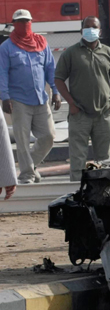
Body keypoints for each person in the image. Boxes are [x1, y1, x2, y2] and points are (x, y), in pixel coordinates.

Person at [54, 17, 110, 181]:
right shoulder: (71, 53)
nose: (91, 30)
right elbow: (58, 79)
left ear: (100, 31)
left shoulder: (108, 52)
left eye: (94, 27)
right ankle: (77, 194)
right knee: (78, 160)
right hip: (80, 114)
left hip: (103, 115)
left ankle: (103, 193)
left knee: (105, 160)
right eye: (87, 27)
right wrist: (71, 103)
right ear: (81, 31)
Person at [0, 9, 60, 183]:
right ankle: (27, 175)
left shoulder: (41, 43)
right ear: (13, 24)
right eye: (20, 22)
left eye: (26, 21)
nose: (24, 25)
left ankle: (30, 166)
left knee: (49, 136)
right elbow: (2, 73)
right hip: (18, 100)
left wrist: (55, 91)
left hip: (41, 99)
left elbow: (50, 68)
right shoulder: (6, 48)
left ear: (31, 23)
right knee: (22, 139)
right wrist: (4, 97)